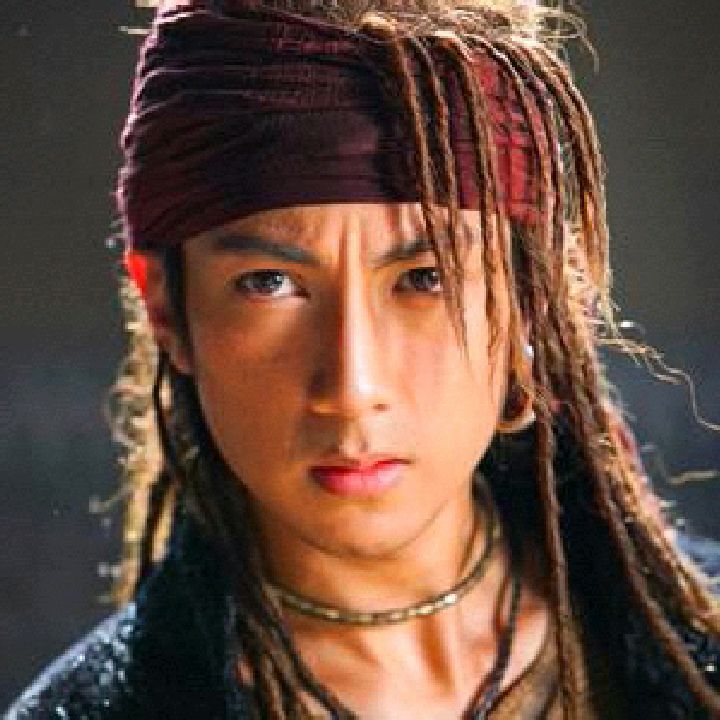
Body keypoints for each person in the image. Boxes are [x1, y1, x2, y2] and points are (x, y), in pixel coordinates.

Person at [5, 0, 720, 718]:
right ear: (166, 307)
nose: (352, 386)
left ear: (528, 297)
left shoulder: (697, 650)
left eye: (426, 278)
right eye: (269, 283)